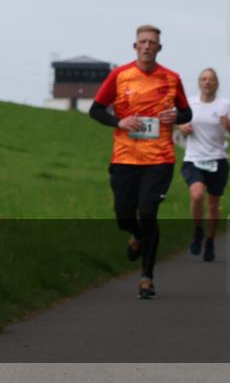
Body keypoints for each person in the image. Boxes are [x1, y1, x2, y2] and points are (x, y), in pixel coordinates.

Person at [89, 25, 192, 299]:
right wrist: (118, 121)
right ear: (135, 47)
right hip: (125, 156)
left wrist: (176, 117)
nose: (147, 46)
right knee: (124, 214)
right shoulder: (119, 75)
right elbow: (95, 110)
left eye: (152, 43)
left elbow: (186, 112)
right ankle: (134, 234)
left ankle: (147, 277)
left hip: (159, 159)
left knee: (148, 212)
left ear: (159, 48)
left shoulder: (172, 78)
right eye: (142, 42)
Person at [177, 68, 230, 262]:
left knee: (213, 207)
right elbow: (178, 122)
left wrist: (228, 125)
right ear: (199, 83)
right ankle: (198, 231)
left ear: (217, 84)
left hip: (217, 160)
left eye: (211, 80)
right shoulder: (190, 103)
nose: (207, 83)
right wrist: (183, 127)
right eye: (204, 79)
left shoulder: (225, 105)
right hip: (194, 159)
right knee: (196, 195)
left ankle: (210, 241)